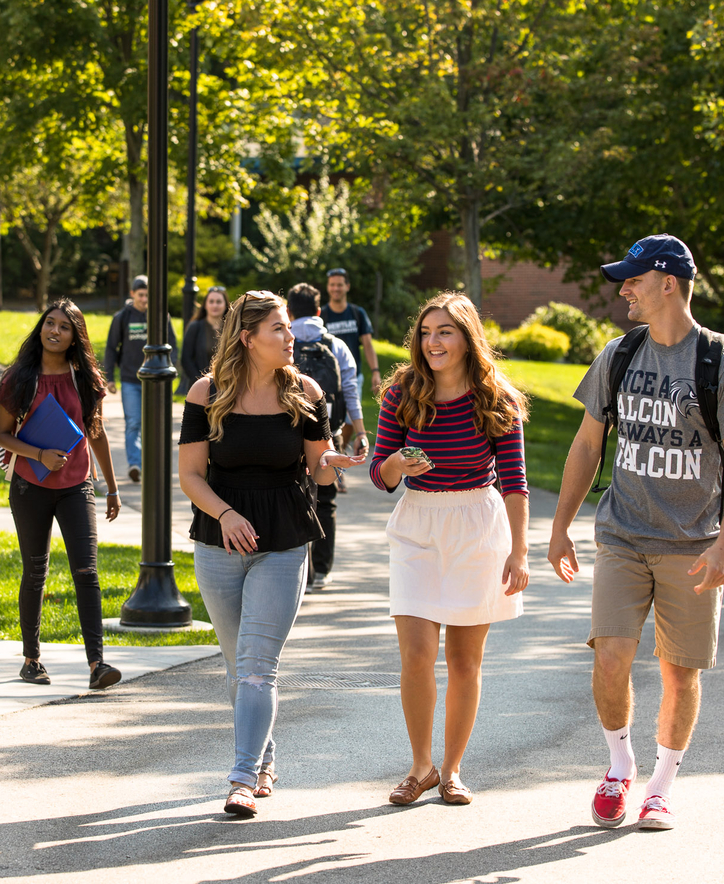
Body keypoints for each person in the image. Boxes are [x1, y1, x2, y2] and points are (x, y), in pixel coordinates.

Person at [547, 234, 724, 831]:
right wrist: (561, 526)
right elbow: (587, 445)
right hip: (622, 534)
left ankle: (662, 786)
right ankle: (620, 766)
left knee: (679, 671)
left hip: (693, 545)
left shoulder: (721, 365)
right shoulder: (618, 356)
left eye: (634, 280)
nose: (624, 290)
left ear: (667, 282)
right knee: (612, 656)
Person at [178, 290, 365, 818]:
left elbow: (318, 471)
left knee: (259, 665)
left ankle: (239, 779)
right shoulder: (205, 393)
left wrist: (334, 459)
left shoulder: (305, 392)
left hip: (283, 542)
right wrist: (225, 514)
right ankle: (263, 759)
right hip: (220, 539)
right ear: (248, 338)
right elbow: (190, 475)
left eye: (288, 327)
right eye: (279, 329)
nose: (292, 337)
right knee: (241, 666)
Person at [370, 291, 529, 807]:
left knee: (464, 661)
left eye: (445, 332)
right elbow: (379, 473)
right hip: (418, 524)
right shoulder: (402, 392)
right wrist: (399, 464)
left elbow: (515, 482)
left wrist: (519, 551)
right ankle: (422, 767)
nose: (433, 342)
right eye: (426, 332)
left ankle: (454, 768)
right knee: (417, 654)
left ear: (467, 339)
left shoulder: (496, 397)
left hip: (478, 527)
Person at [0, 299, 124, 690]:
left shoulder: (84, 378)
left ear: (75, 336)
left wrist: (112, 487)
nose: (54, 331)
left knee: (87, 571)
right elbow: (1, 434)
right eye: (49, 323)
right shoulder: (20, 377)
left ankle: (97, 664)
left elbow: (95, 433)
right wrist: (38, 455)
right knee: (35, 572)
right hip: (30, 485)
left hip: (77, 485)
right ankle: (32, 659)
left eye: (64, 327)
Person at [285, 282, 368, 591]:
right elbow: (350, 392)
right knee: (326, 501)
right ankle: (322, 569)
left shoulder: (285, 343)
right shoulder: (336, 346)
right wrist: (359, 432)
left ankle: (299, 570)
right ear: (319, 311)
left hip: (289, 434)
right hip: (327, 434)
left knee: (292, 498)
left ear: (289, 311)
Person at [103, 276, 178, 483]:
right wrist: (109, 378)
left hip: (156, 381)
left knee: (153, 424)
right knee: (134, 422)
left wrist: (172, 371)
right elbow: (111, 348)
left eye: (148, 295)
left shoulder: (161, 316)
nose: (145, 299)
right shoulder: (122, 317)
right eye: (141, 295)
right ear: (133, 294)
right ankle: (135, 464)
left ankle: (152, 465)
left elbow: (172, 343)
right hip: (130, 379)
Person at [321, 267, 382, 395]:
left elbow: (368, 345)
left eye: (339, 285)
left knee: (353, 415)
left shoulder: (357, 313)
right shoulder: (322, 315)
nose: (335, 288)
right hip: (328, 378)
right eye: (332, 285)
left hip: (353, 377)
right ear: (328, 287)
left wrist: (375, 372)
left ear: (347, 286)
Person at [179, 285, 228, 393]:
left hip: (227, 387)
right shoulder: (195, 327)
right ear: (205, 305)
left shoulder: (231, 328)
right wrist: (201, 382)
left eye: (219, 302)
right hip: (201, 389)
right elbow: (186, 359)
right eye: (211, 301)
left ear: (225, 305)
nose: (215, 305)